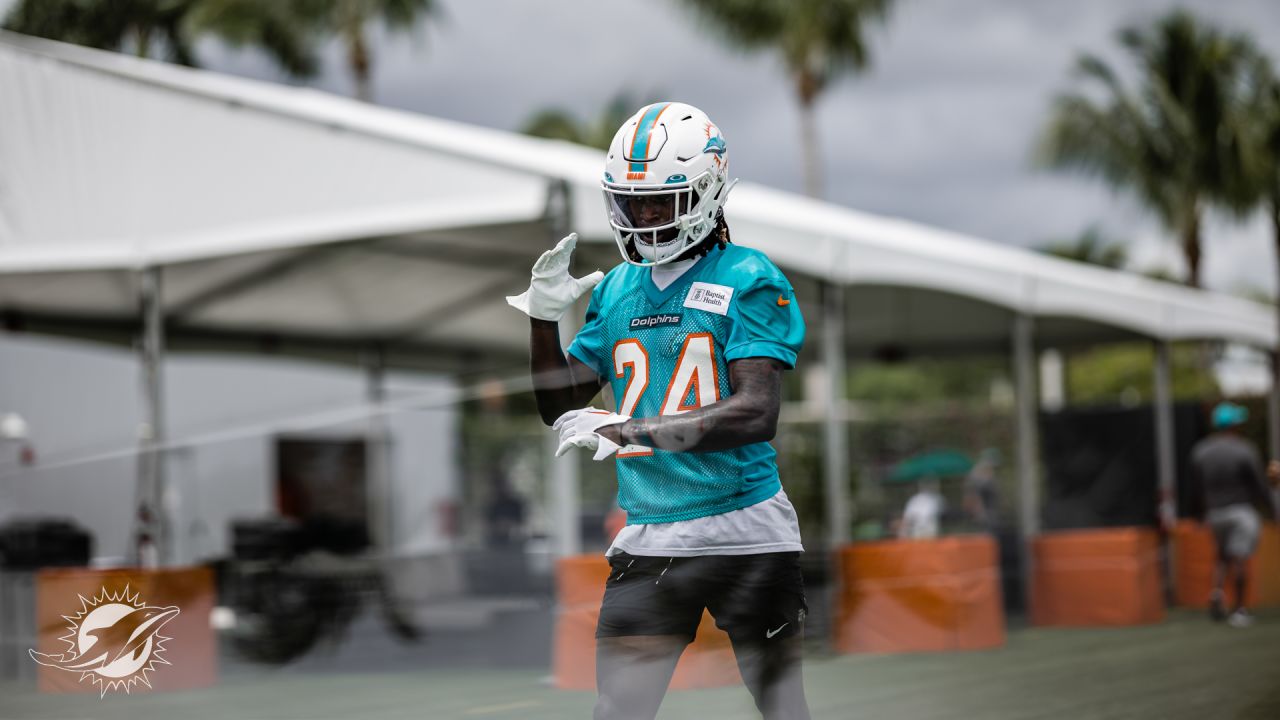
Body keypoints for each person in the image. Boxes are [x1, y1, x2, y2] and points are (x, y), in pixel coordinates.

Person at [507, 101, 810, 719]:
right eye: (631, 201)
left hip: (745, 527)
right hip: (652, 531)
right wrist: (542, 319)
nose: (643, 217)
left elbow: (755, 413)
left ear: (706, 193)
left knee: (782, 708)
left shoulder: (750, 277)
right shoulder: (618, 288)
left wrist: (629, 430)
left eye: (658, 202)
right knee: (618, 711)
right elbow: (555, 403)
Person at [1190, 402, 1277, 627]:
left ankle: (1217, 593)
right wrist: (1274, 511)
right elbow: (1259, 485)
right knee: (1240, 558)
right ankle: (1239, 610)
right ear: (1234, 425)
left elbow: (1196, 487)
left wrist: (1199, 514)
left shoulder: (1201, 451)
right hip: (1240, 512)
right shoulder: (1244, 449)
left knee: (1222, 556)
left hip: (1214, 513)